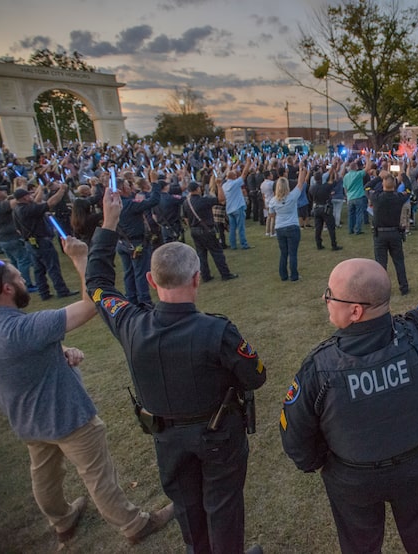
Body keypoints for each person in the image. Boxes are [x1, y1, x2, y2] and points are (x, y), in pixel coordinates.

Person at [279, 164, 418, 554]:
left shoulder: (320, 367)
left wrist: (328, 462)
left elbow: (296, 438)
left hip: (353, 478)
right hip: (411, 467)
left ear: (354, 311)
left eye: (330, 295)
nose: (325, 301)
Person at [86, 189, 267, 554]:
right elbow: (256, 376)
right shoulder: (217, 331)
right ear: (197, 279)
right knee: (223, 508)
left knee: (188, 511)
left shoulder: (131, 324)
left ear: (151, 282)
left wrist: (108, 223)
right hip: (218, 438)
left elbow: (98, 286)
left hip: (166, 438)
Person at [0, 243, 174, 546]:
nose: (23, 281)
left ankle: (62, 521)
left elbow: (14, 359)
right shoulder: (26, 328)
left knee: (44, 475)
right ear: (6, 289)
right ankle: (134, 525)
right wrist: (81, 259)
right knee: (98, 477)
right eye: (18, 278)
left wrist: (63, 350)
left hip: (27, 422)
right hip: (68, 418)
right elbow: (90, 305)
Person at [12, 185, 79, 301]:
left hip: (30, 242)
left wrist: (40, 190)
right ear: (24, 198)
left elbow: (18, 228)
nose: (31, 196)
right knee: (52, 267)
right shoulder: (27, 210)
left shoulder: (17, 210)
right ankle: (61, 290)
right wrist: (61, 190)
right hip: (41, 241)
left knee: (39, 269)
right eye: (28, 195)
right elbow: (50, 203)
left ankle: (44, 293)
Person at [114, 170, 161, 307]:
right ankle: (144, 300)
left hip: (122, 242)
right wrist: (154, 182)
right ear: (122, 189)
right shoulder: (129, 204)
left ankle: (131, 298)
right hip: (135, 242)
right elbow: (154, 200)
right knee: (140, 272)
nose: (131, 188)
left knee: (128, 272)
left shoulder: (113, 204)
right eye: (128, 186)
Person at [182, 180, 238, 282]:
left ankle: (205, 276)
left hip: (194, 231)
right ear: (197, 189)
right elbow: (221, 199)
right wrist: (219, 186)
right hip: (207, 230)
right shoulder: (204, 200)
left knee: (201, 254)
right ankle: (225, 274)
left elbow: (185, 218)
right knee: (217, 252)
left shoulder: (186, 203)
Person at [0, 184, 36, 290]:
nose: (5, 192)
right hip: (11, 238)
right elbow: (17, 201)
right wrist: (23, 192)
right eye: (2, 191)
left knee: (14, 262)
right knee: (24, 260)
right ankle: (26, 284)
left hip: (2, 239)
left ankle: (17, 283)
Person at [371, 173, 410, 295]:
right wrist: (403, 173)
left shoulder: (376, 197)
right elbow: (409, 188)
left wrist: (378, 176)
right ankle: (403, 287)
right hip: (394, 233)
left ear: (382, 184)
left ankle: (381, 290)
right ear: (395, 185)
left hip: (380, 234)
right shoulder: (399, 197)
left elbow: (367, 187)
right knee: (399, 262)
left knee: (381, 264)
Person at [270, 164, 308, 281]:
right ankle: (294, 275)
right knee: (292, 253)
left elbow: (271, 215)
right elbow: (300, 184)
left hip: (280, 227)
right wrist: (302, 170)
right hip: (292, 226)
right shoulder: (292, 196)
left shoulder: (273, 201)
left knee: (283, 253)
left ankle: (283, 275)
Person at [221, 160, 252, 249]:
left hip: (229, 209)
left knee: (232, 229)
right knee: (241, 228)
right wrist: (248, 163)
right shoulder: (235, 183)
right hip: (238, 207)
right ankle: (244, 244)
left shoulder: (224, 186)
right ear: (234, 177)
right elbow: (244, 174)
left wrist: (233, 166)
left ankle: (233, 245)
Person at [309, 168, 342, 251]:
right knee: (331, 227)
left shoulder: (312, 188)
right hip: (325, 208)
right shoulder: (326, 186)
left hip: (317, 208)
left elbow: (310, 198)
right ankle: (334, 245)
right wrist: (333, 172)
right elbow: (335, 181)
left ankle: (319, 244)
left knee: (318, 228)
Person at [342, 161, 367, 234]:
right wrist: (368, 158)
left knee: (351, 215)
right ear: (356, 167)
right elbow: (367, 168)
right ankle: (357, 230)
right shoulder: (358, 174)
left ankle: (350, 229)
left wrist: (347, 197)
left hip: (350, 197)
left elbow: (345, 188)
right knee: (359, 214)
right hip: (358, 196)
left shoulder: (346, 176)